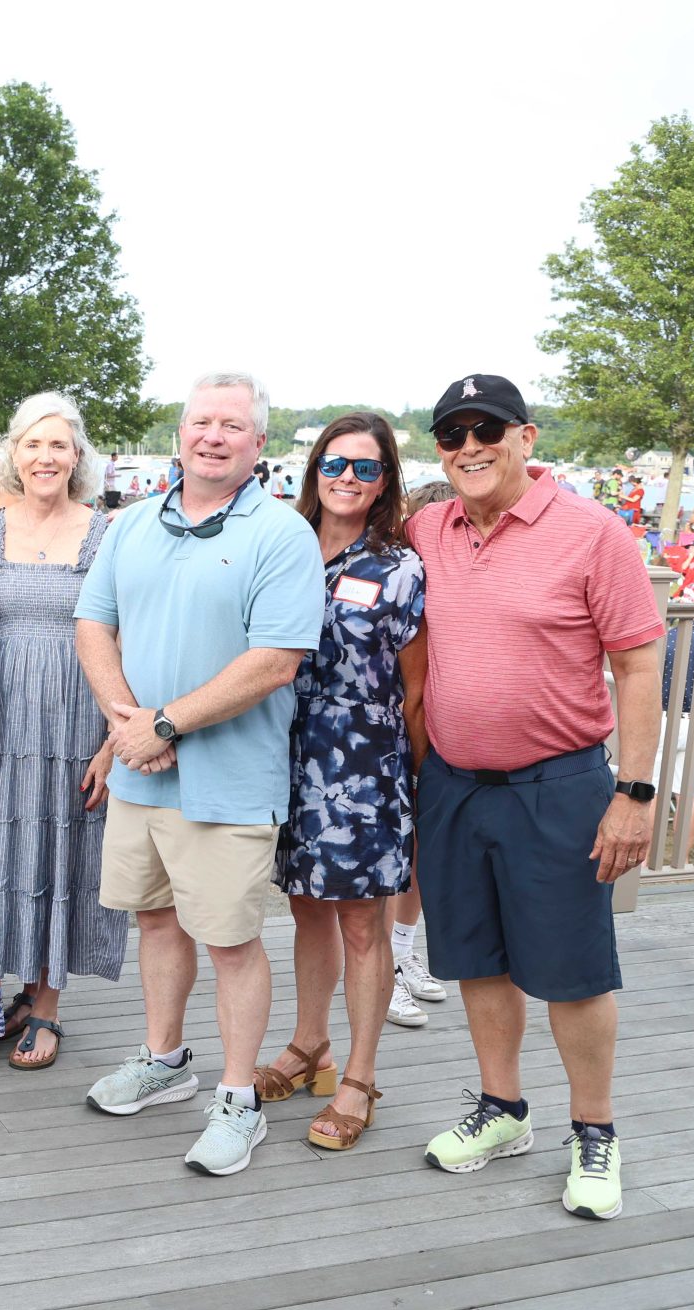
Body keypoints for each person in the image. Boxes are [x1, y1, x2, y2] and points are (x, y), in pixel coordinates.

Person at [408, 373, 664, 1221]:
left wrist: (633, 790)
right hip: (451, 782)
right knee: (477, 958)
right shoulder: (428, 527)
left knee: (573, 970)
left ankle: (595, 1131)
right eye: (452, 434)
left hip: (559, 785)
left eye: (488, 429)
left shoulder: (593, 534)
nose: (470, 447)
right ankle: (503, 1109)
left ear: (527, 437)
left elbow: (636, 664)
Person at [74, 371, 322, 1176]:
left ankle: (239, 1097)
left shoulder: (282, 535)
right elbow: (94, 625)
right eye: (200, 422)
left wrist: (166, 722)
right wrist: (126, 724)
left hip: (229, 781)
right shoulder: (132, 524)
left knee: (230, 939)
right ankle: (164, 1059)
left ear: (258, 445)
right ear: (180, 433)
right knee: (154, 921)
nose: (213, 435)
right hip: (143, 773)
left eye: (232, 425)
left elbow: (276, 661)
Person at [256, 413, 426, 1150]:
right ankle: (309, 1045)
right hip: (287, 754)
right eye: (335, 463)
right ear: (312, 469)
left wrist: (412, 782)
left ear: (385, 479)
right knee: (305, 911)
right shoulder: (282, 545)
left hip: (364, 764)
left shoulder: (400, 566)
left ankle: (358, 1074)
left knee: (364, 923)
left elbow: (416, 692)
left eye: (365, 467)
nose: (347, 479)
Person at [0, 393, 115, 1070]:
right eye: (32, 444)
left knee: (61, 849)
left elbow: (125, 637)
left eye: (59, 445)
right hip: (0, 713)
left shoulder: (106, 532)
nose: (45, 457)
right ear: (13, 455)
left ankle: (46, 1003)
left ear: (77, 455)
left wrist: (115, 738)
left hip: (78, 714)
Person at [384, 478, 460, 1029]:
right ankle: (386, 967)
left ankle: (404, 950)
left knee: (422, 857)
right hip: (401, 730)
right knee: (398, 855)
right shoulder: (403, 576)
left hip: (446, 728)